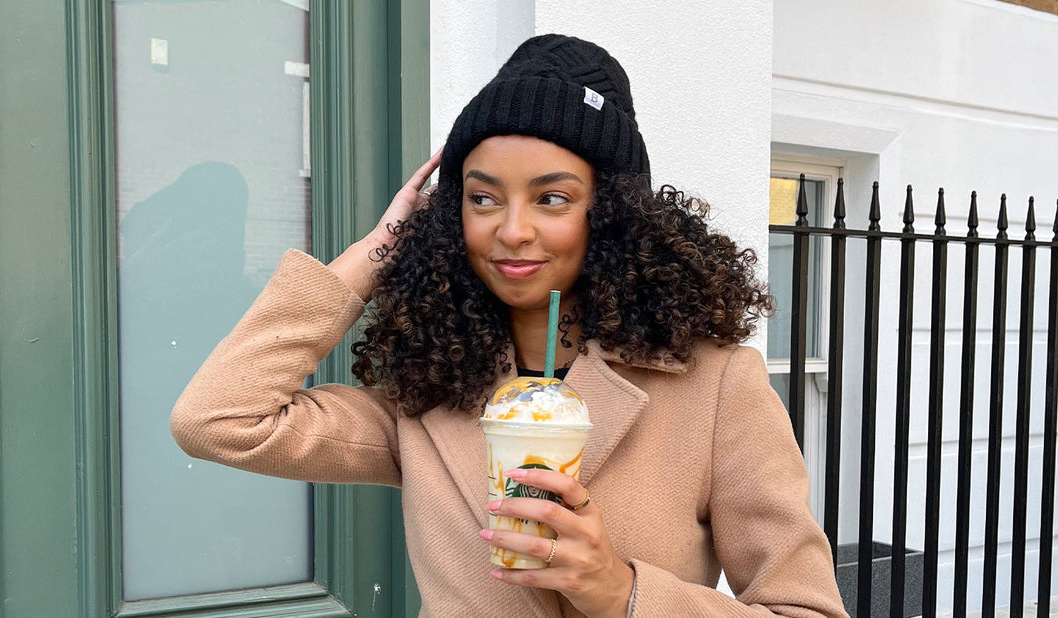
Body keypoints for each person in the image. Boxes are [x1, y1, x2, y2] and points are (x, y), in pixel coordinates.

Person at [171, 34, 847, 617]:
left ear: (608, 212)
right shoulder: (429, 395)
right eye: (482, 198)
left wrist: (622, 592)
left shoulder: (716, 386)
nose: (512, 231)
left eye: (552, 197)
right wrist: (378, 250)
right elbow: (217, 419)